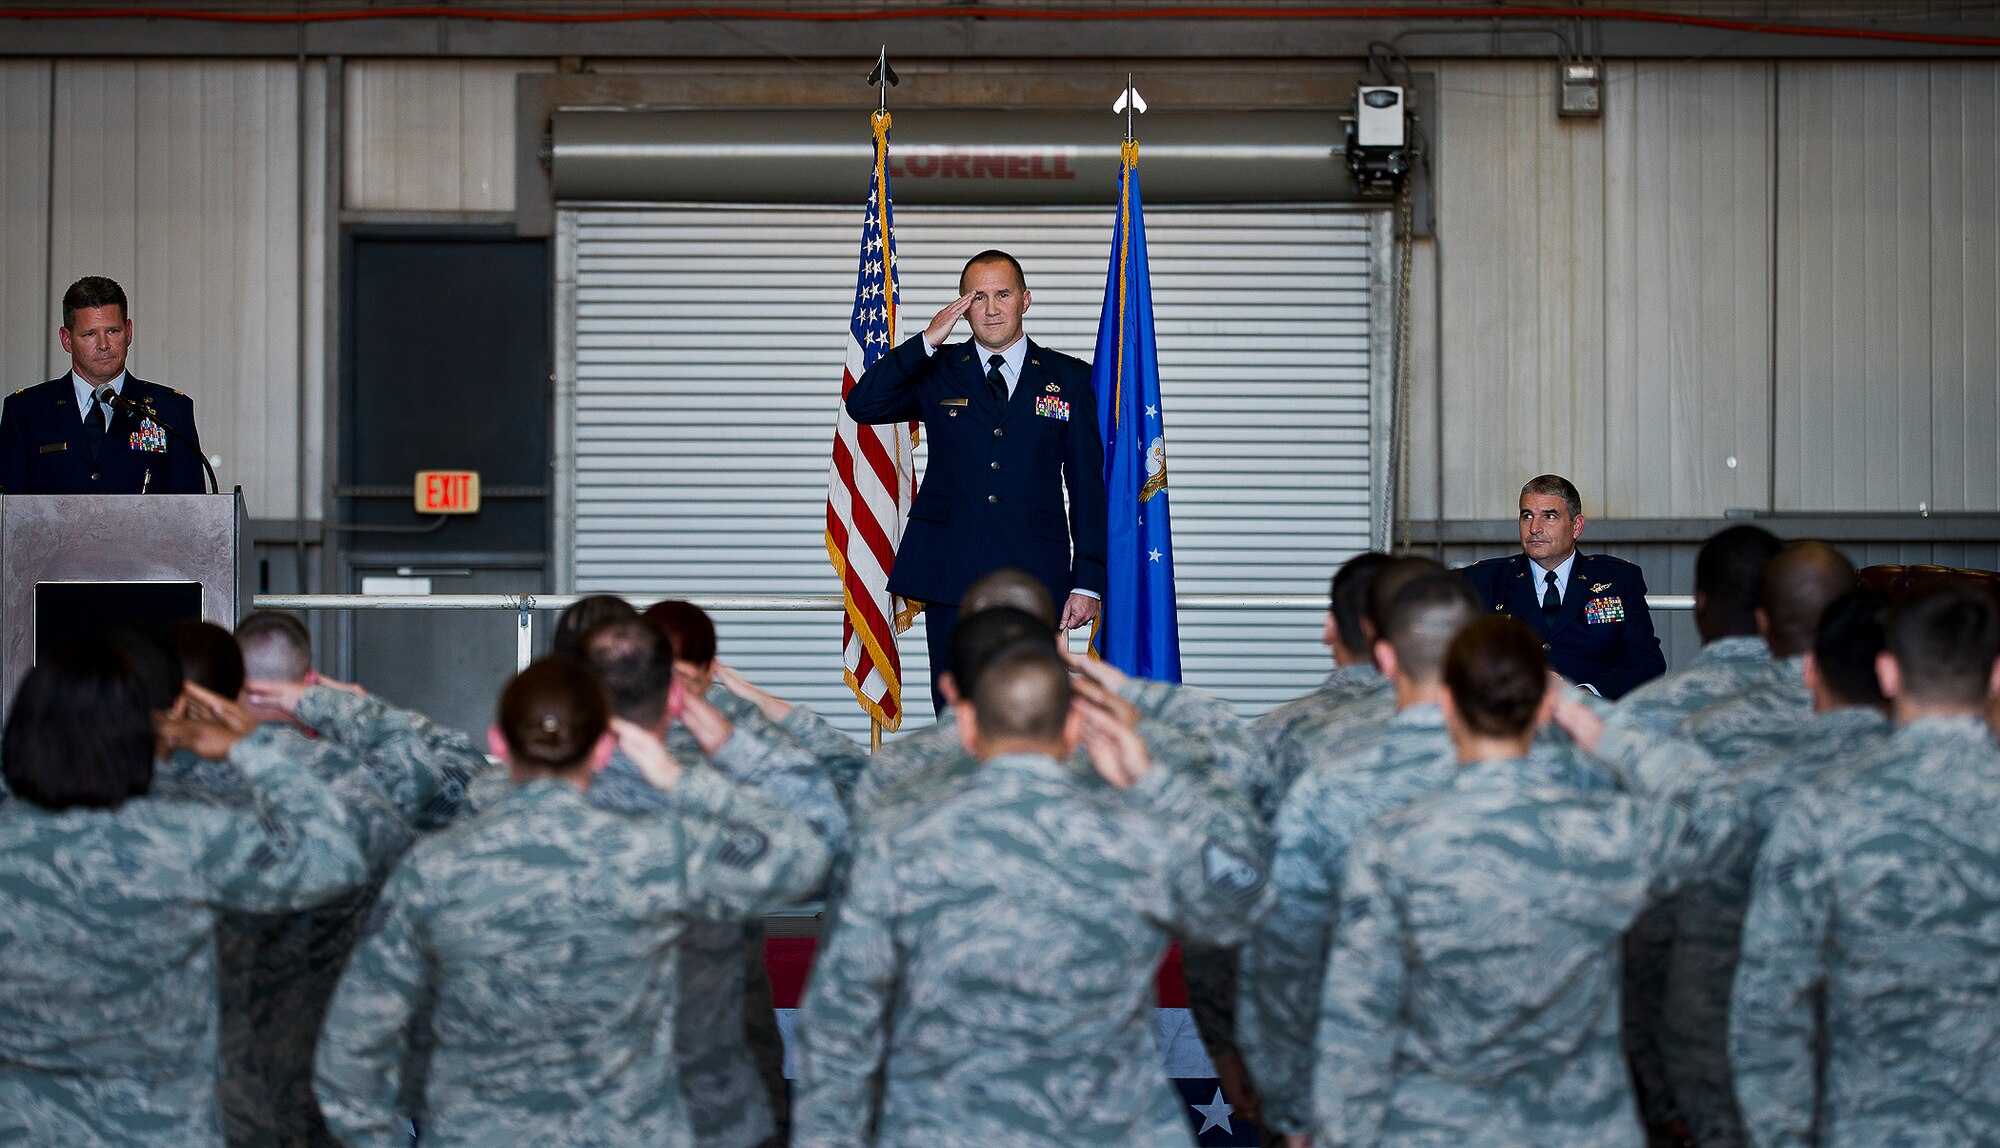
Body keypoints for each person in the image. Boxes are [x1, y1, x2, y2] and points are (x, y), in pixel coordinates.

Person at [314, 656, 830, 1148]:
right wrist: (676, 775)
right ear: (607, 748)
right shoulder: (658, 854)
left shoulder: (432, 870)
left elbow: (351, 1051)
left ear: (499, 742)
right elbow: (803, 851)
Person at [791, 640, 1271, 1147]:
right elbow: (1245, 904)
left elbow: (841, 1019)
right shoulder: (1140, 834)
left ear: (967, 725)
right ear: (1073, 727)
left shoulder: (895, 837)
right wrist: (1155, 782)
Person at [1312, 618, 1739, 1148]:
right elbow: (1720, 813)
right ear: (1544, 708)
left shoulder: (1390, 846)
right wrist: (1605, 730)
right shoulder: (1606, 834)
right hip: (1583, 1130)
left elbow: (1357, 1018)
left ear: (1445, 704)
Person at [0, 639, 365, 1146]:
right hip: (160, 1127)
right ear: (145, 734)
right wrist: (250, 746)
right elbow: (336, 858)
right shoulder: (186, 841)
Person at [1731, 580, 2000, 1148]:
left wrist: (1782, 1135)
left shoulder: (1824, 813)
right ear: (1997, 674)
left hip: (1869, 1128)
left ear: (1887, 674)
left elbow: (1769, 1009)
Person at [579, 616, 844, 1148]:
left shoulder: (505, 807)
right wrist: (728, 740)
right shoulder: (734, 746)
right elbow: (831, 834)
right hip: (716, 1063)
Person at [1238, 571, 1480, 1139]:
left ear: (1386, 657)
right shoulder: (1566, 774)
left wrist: (1289, 1104)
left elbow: (1281, 949)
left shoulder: (1326, 787)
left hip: (1363, 1103)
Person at [1654, 589, 1892, 1148]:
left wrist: (1678, 1107)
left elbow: (1684, 965)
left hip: (1766, 1105)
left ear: (1809, 670)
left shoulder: (1742, 793)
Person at [845, 249, 1107, 710]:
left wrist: (1086, 579)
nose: (990, 309)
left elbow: (1086, 485)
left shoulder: (1070, 379)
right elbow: (863, 403)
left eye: (1002, 294)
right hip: (949, 568)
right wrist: (926, 340)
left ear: (1026, 300)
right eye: (977, 297)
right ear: (961, 304)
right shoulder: (937, 368)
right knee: (955, 708)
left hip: (1036, 572)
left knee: (1030, 708)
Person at [1608, 523, 1781, 1143]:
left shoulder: (1642, 723)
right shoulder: (1836, 711)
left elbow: (1626, 909)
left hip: (1683, 1044)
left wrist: (1655, 1091)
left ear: (1700, 602)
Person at [1461, 473, 1665, 699]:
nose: (1534, 528)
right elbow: (1455, 659)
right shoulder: (1484, 580)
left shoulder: (1617, 580)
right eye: (1527, 516)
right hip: (1510, 717)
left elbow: (1646, 661)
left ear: (1576, 526)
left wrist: (1584, 694)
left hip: (1593, 718)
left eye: (1549, 516)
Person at [0, 275, 207, 494]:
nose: (103, 345)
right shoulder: (25, 412)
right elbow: (7, 514)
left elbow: (192, 515)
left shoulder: (170, 412)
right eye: (89, 334)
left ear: (128, 332)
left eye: (112, 331)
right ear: (66, 339)